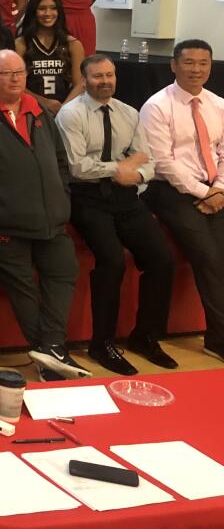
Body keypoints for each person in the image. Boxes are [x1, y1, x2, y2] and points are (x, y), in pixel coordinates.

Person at [0, 49, 89, 381]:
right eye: (6, 74)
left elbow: (58, 158)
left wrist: (62, 196)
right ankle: (51, 357)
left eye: (20, 73)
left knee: (63, 273)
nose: (14, 79)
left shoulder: (38, 110)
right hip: (1, 223)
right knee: (22, 288)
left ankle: (51, 349)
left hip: (51, 218)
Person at [56, 55, 176, 375]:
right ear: (84, 80)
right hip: (87, 197)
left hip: (126, 197)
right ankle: (102, 343)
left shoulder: (129, 113)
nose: (105, 81)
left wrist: (135, 175)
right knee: (111, 260)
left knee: (162, 260)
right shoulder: (71, 114)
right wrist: (118, 168)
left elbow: (146, 161)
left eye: (109, 75)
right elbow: (77, 166)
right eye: (97, 76)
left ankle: (144, 336)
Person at [139, 39, 224, 363]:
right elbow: (162, 163)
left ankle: (215, 336)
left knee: (220, 257)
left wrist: (218, 188)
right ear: (174, 65)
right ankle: (220, 339)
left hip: (213, 187)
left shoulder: (218, 104)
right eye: (188, 63)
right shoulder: (157, 106)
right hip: (169, 191)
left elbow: (223, 152)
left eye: (203, 63)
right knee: (209, 258)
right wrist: (205, 194)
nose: (196, 69)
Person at [16, 0, 85, 114]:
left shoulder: (73, 45)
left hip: (66, 111)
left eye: (53, 8)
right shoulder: (21, 44)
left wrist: (63, 109)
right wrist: (44, 103)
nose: (48, 13)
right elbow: (16, 85)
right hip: (30, 110)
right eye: (42, 8)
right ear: (33, 12)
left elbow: (80, 85)